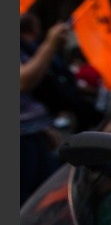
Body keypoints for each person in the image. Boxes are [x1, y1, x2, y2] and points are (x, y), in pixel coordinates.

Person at [20, 14, 70, 205]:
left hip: (32, 134)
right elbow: (22, 82)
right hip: (23, 140)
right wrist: (50, 43)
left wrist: (40, 127)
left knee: (46, 198)